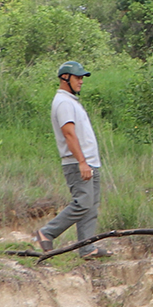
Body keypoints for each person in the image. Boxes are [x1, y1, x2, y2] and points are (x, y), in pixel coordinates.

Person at [37, 62, 107, 257]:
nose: (81, 81)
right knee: (83, 202)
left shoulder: (71, 101)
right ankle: (47, 232)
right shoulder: (63, 102)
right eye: (77, 77)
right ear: (65, 78)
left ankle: (87, 248)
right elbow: (69, 134)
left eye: (82, 77)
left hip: (89, 161)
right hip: (78, 162)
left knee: (91, 205)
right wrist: (82, 162)